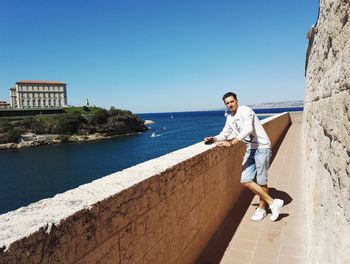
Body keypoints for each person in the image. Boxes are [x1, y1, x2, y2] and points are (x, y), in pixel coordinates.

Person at [204, 92, 283, 221]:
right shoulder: (230, 118)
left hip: (262, 147)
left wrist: (232, 143)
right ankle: (273, 203)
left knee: (262, 181)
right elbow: (224, 133)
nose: (230, 105)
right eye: (227, 103)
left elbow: (248, 129)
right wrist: (213, 139)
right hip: (250, 149)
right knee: (245, 179)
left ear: (236, 101)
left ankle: (262, 209)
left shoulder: (245, 110)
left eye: (232, 101)